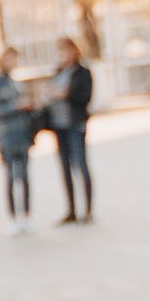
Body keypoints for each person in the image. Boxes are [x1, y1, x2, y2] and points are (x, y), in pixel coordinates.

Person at [0, 46, 37, 236]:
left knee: (24, 178)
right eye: (12, 59)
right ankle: (14, 218)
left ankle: (27, 216)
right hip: (7, 138)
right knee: (10, 179)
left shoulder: (16, 83)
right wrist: (15, 106)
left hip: (22, 136)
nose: (14, 63)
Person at [47, 35, 95, 224]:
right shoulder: (57, 72)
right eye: (59, 51)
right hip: (59, 127)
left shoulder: (82, 72)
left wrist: (66, 94)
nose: (61, 55)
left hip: (75, 125)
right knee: (65, 169)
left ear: (74, 52)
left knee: (81, 166)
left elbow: (85, 97)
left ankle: (88, 210)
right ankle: (71, 210)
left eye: (65, 50)